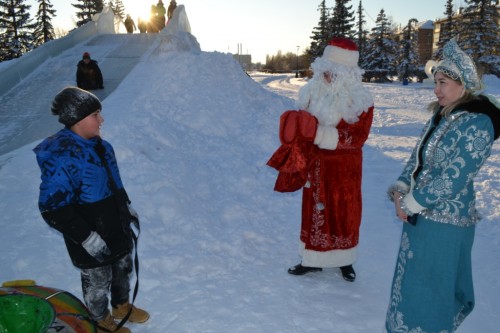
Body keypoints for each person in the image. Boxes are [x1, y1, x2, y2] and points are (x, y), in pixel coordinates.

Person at [385, 38, 500, 332]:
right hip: (419, 214)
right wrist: (401, 186)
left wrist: (414, 200)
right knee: (413, 279)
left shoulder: (478, 122)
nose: (436, 89)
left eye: (443, 82)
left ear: (462, 84)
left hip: (447, 220)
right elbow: (419, 155)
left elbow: (455, 176)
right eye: (435, 81)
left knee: (433, 286)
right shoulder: (442, 113)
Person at [34, 87, 150, 333]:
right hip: (88, 231)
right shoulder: (61, 156)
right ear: (77, 119)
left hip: (114, 223)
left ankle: (121, 306)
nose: (101, 119)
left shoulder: (103, 147)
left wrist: (126, 205)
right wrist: (86, 237)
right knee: (97, 281)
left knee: (122, 268)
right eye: (96, 114)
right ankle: (100, 321)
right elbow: (51, 207)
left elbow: (115, 181)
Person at [267, 37, 374, 282]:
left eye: (333, 73)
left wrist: (319, 134)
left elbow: (357, 136)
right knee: (314, 212)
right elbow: (303, 129)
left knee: (344, 213)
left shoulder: (361, 100)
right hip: (315, 166)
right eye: (324, 71)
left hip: (344, 170)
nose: (327, 76)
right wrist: (293, 131)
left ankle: (345, 260)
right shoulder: (310, 93)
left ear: (347, 74)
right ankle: (312, 259)